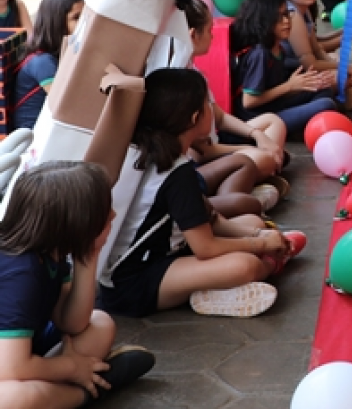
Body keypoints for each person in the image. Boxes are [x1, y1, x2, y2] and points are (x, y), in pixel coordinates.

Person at [99, 69, 303, 319]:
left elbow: (211, 219)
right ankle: (265, 267)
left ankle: (217, 286)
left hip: (166, 251)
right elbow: (206, 247)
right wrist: (261, 245)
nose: (213, 110)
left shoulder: (151, 152)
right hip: (133, 282)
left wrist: (258, 234)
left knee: (253, 222)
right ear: (194, 118)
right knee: (244, 265)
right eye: (208, 104)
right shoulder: (176, 172)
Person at [0, 161, 156, 408]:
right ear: (78, 224)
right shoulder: (21, 272)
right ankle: (85, 393)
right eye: (104, 212)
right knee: (15, 399)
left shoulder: (49, 252)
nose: (113, 215)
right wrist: (71, 367)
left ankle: (59, 391)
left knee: (101, 324)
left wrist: (89, 254)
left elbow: (72, 322)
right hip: (9, 364)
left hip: (18, 352)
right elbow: (11, 367)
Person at [185, 0, 289, 218]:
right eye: (209, 31)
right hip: (204, 160)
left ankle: (256, 178)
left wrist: (256, 135)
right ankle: (250, 187)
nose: (213, 36)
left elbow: (220, 117)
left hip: (217, 144)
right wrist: (254, 149)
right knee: (263, 158)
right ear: (193, 35)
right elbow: (203, 150)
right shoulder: (183, 83)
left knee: (273, 122)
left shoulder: (194, 71)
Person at [230, 0, 346, 139]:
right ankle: (291, 129)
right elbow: (249, 102)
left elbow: (275, 91)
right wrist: (290, 86)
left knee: (324, 89)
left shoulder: (278, 48)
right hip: (260, 118)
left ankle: (301, 125)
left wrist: (303, 84)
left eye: (286, 14)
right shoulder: (260, 54)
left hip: (273, 105)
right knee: (325, 105)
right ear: (263, 21)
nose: (286, 21)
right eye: (278, 17)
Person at [12, 0, 82, 130]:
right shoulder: (42, 62)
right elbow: (65, 104)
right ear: (57, 23)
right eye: (76, 18)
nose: (83, 23)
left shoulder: (54, 54)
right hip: (32, 136)